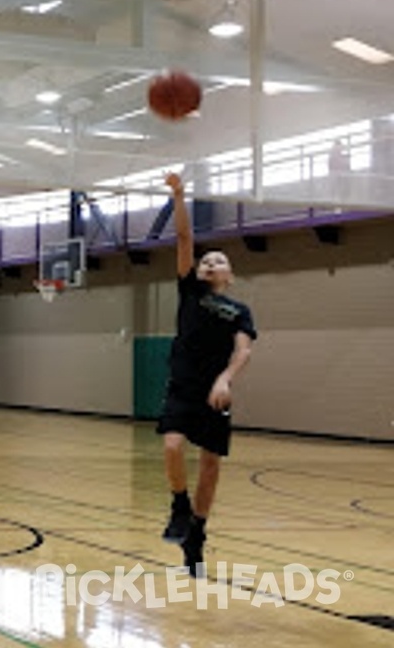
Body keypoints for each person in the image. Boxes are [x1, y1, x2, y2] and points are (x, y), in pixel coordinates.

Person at [158, 173, 257, 577]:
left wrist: (225, 379)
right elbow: (184, 240)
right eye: (206, 260)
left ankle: (196, 536)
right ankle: (179, 506)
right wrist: (179, 196)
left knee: (211, 466)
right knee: (172, 447)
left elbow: (244, 349)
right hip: (182, 386)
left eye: (218, 261)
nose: (209, 263)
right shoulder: (190, 292)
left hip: (214, 394)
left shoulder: (239, 310)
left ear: (228, 276)